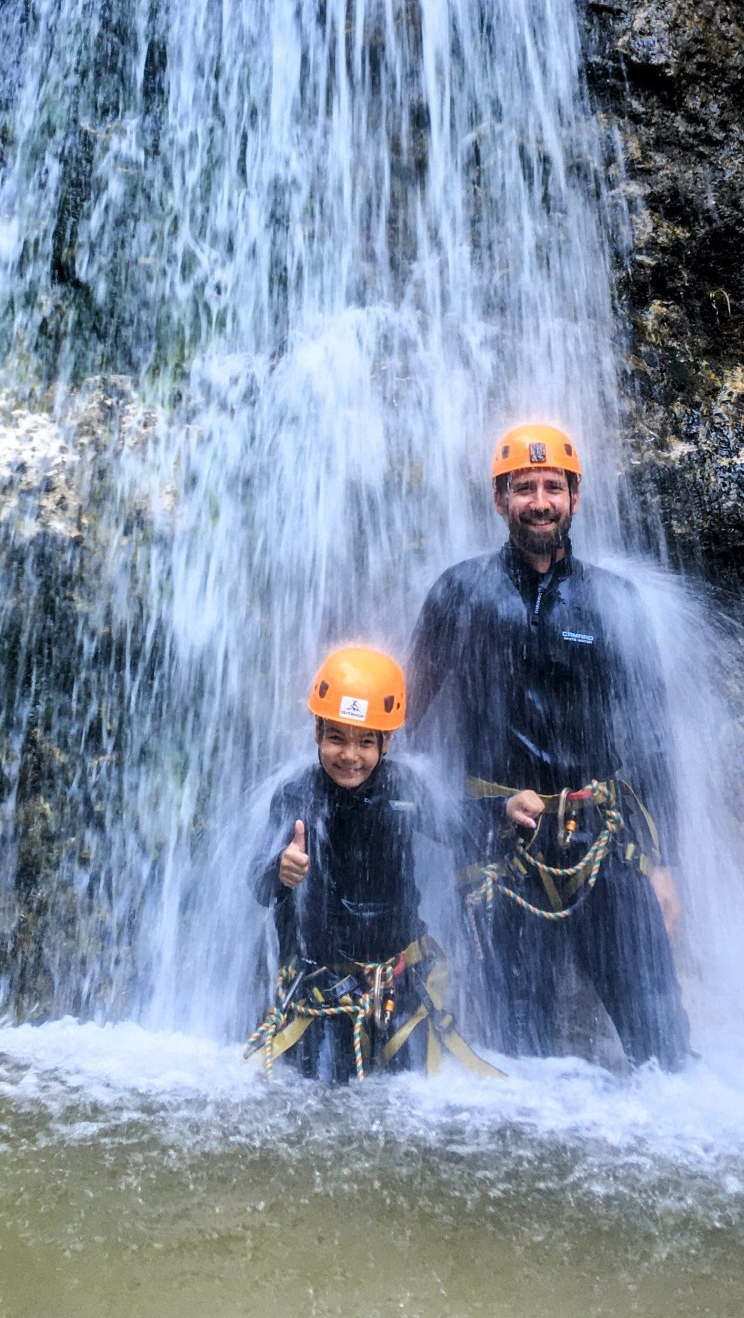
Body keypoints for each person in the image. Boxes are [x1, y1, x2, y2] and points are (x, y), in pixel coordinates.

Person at [406, 422, 691, 1072]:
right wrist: (456, 822)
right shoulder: (459, 594)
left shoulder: (613, 603)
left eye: (552, 487)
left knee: (666, 1051)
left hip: (601, 842)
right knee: (518, 1063)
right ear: (500, 500)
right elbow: (411, 730)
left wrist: (663, 865)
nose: (540, 500)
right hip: (499, 850)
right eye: (524, 487)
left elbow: (652, 741)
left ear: (575, 498)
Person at [245, 646, 500, 1083]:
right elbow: (258, 883)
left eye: (366, 741)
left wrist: (508, 807)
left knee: (404, 1098)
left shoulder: (405, 790)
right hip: (318, 991)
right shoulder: (295, 796)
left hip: (395, 987)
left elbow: (463, 826)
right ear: (317, 733)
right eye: (337, 738)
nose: (350, 756)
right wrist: (281, 872)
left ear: (387, 741)